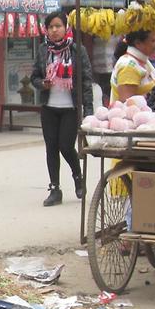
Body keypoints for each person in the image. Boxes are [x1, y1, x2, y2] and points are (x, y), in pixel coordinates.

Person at [31, 12, 93, 207]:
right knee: (51, 147)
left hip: (70, 108)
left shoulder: (77, 50)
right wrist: (43, 83)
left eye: (58, 26)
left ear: (66, 27)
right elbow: (34, 77)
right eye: (50, 27)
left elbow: (86, 80)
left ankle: (77, 175)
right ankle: (54, 189)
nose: (54, 30)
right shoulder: (43, 50)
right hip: (49, 107)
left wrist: (89, 110)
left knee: (66, 146)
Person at [109, 30, 155, 104]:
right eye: (153, 40)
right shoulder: (128, 67)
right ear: (138, 43)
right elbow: (128, 107)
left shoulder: (141, 60)